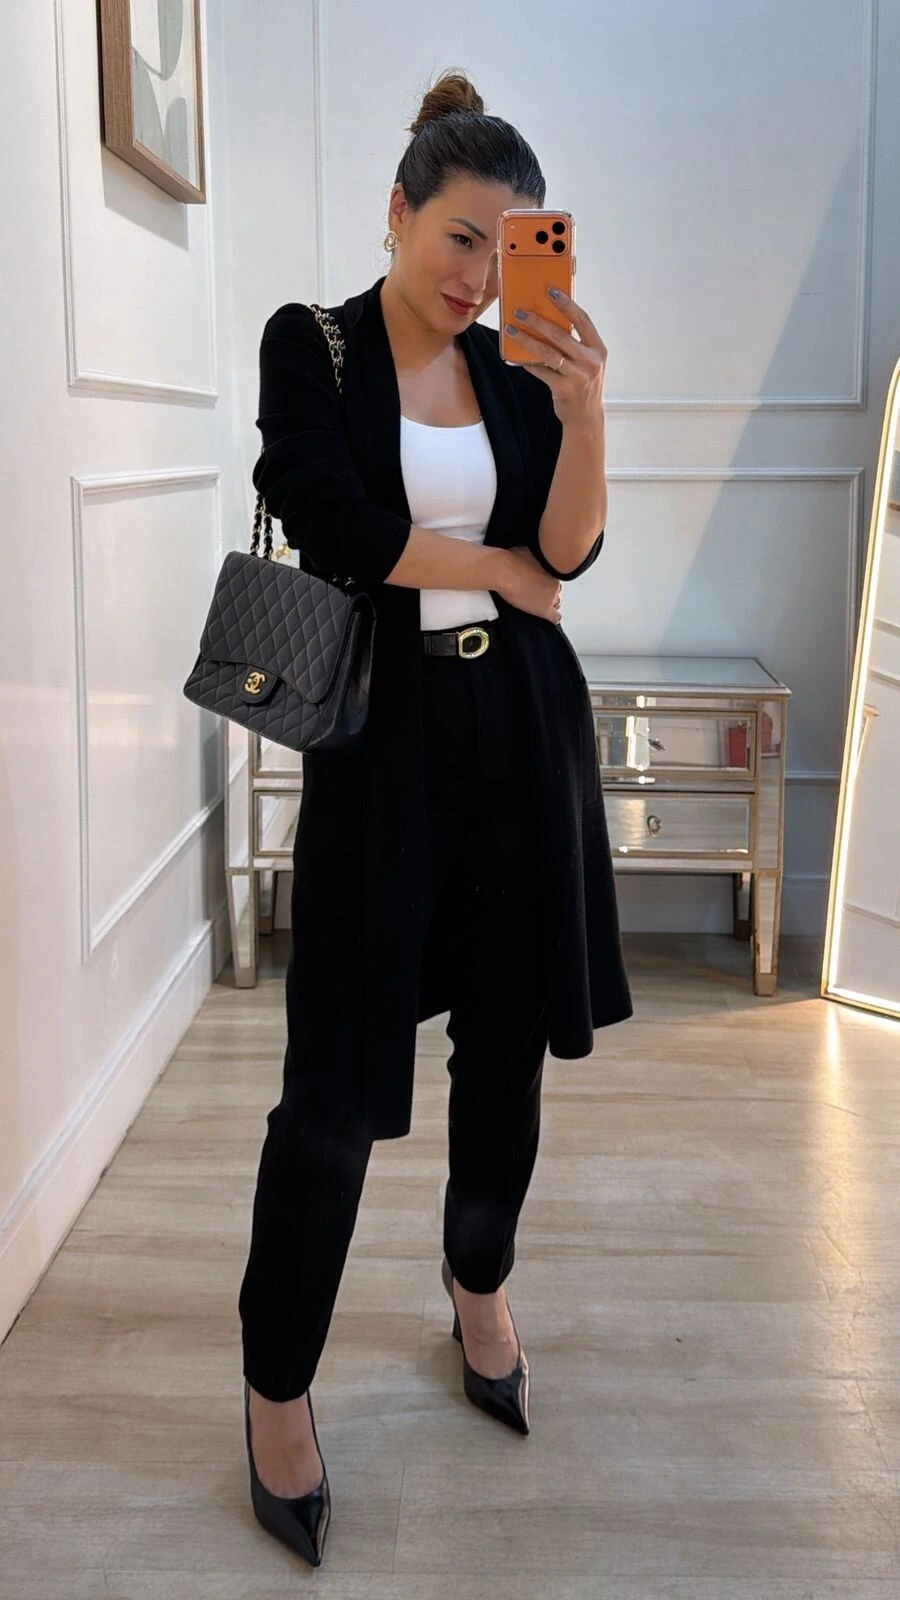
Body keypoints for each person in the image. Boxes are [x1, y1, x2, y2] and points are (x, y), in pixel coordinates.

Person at [237, 68, 633, 1566]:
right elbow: (333, 523)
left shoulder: (519, 364)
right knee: (335, 1088)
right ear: (398, 213)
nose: (478, 274)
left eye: (507, 244)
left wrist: (585, 410)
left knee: (505, 1055)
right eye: (461, 236)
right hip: (379, 746)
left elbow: (569, 554)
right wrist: (497, 570)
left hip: (522, 737)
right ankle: (279, 1382)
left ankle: (479, 1284)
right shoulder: (314, 342)